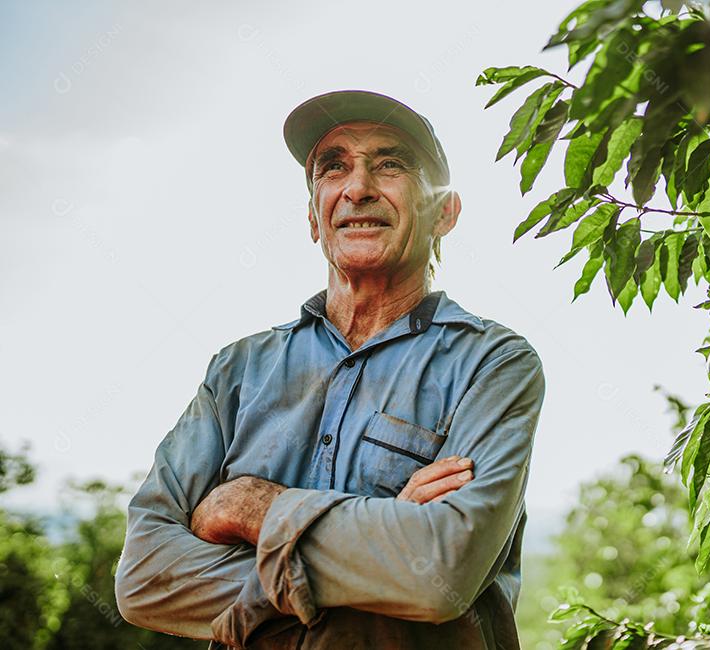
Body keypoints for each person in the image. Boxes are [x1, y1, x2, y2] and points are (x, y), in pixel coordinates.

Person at [114, 90, 546, 649]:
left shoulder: (493, 363)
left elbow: (442, 572)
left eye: (391, 164)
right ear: (315, 218)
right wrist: (384, 540)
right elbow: (145, 578)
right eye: (332, 167)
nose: (358, 187)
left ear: (445, 212)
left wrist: (250, 507)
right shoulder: (238, 371)